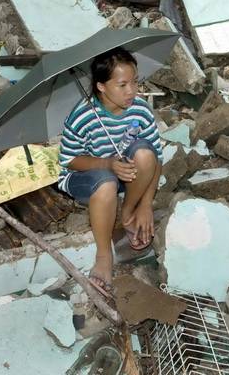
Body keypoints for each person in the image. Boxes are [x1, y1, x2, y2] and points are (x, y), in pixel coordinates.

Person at [58, 47, 162, 296]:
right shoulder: (83, 115)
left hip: (123, 175)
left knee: (146, 155)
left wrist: (145, 204)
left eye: (135, 82)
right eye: (122, 84)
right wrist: (107, 164)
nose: (132, 91)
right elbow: (70, 160)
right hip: (86, 177)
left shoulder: (140, 110)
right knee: (106, 183)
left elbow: (156, 160)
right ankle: (104, 255)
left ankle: (127, 213)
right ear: (102, 86)